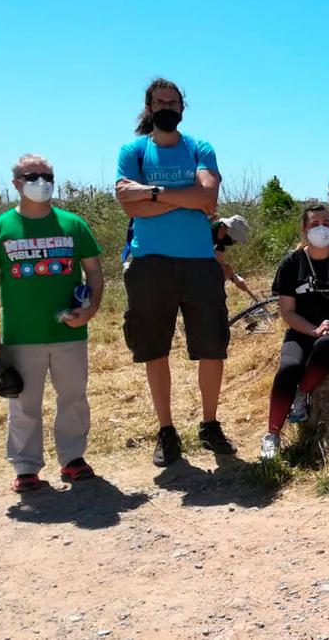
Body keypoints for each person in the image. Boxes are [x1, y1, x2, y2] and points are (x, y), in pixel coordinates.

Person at [115, 78, 235, 466]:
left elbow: (208, 197)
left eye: (174, 101)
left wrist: (150, 193)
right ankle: (166, 430)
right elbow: (128, 205)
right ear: (148, 107)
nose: (167, 106)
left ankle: (210, 423)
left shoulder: (200, 148)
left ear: (183, 109)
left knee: (212, 346)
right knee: (155, 349)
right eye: (160, 101)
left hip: (200, 261)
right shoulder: (133, 150)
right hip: (150, 262)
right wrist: (182, 200)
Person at [0, 154, 104, 491]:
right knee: (23, 403)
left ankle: (72, 459)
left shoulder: (74, 225)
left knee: (73, 398)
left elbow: (93, 271)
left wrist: (89, 310)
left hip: (69, 332)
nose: (42, 182)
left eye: (48, 176)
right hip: (21, 335)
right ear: (16, 183)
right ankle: (26, 467)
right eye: (33, 176)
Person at [260, 205, 329, 459]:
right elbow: (287, 312)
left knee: (327, 345)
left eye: (326, 223)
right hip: (302, 331)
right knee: (288, 368)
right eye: (314, 224)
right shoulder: (292, 263)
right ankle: (272, 435)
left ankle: (303, 392)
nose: (321, 228)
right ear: (304, 229)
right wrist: (312, 330)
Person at [212, 214, 252, 296]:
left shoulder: (220, 240)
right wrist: (233, 277)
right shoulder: (207, 232)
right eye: (234, 239)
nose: (233, 242)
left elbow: (221, 263)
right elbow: (218, 265)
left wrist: (235, 278)